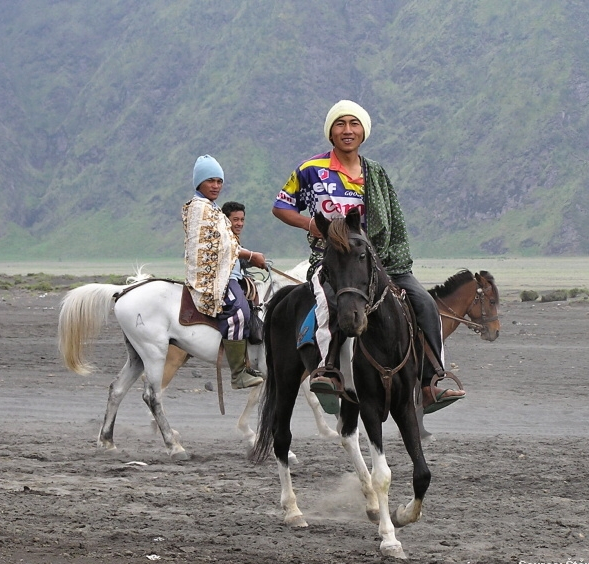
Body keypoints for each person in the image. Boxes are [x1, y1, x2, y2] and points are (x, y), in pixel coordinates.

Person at [271, 100, 465, 411]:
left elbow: (392, 219)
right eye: (340, 124)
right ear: (331, 133)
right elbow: (281, 207)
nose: (347, 130)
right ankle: (328, 372)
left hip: (378, 261)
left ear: (363, 132)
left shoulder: (375, 174)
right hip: (332, 261)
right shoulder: (310, 170)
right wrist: (313, 226)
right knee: (329, 304)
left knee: (425, 303)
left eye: (354, 124)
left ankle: (431, 383)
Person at [183, 155, 266, 389]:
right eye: (211, 180)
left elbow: (226, 243)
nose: (216, 186)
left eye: (219, 181)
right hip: (213, 277)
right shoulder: (200, 208)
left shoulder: (213, 208)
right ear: (199, 182)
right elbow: (219, 246)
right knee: (238, 311)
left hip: (228, 271)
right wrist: (251, 256)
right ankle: (238, 373)